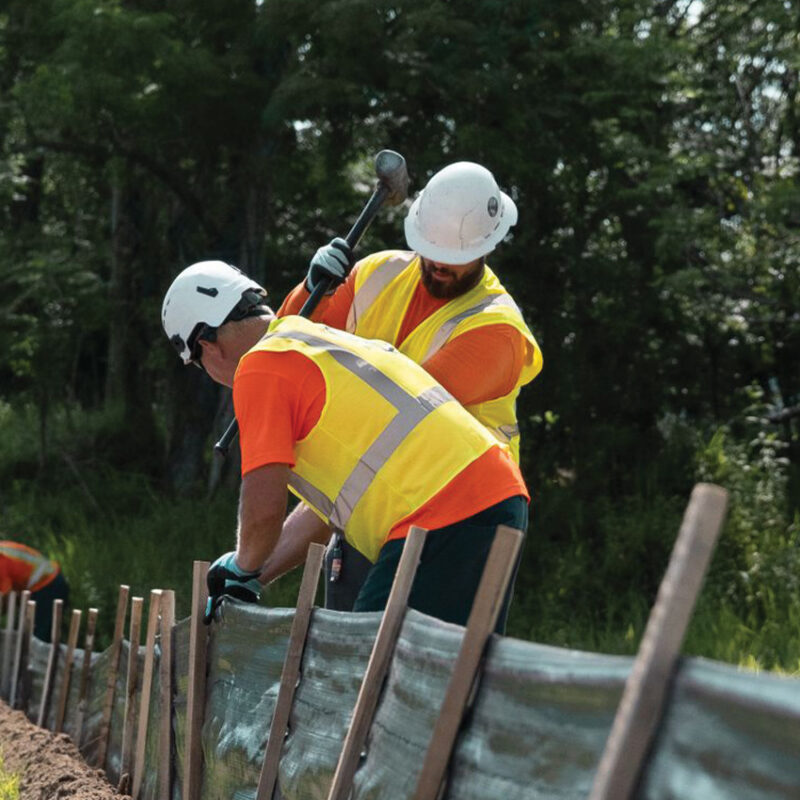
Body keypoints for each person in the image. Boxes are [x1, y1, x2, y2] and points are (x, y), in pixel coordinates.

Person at [161, 260, 530, 632]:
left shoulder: (260, 368)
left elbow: (263, 510)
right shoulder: (316, 340)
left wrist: (241, 566)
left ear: (208, 347)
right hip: (488, 495)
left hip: (442, 511)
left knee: (366, 670)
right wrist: (254, 573)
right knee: (449, 680)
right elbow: (325, 512)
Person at [278, 162, 543, 608]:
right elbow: (282, 356)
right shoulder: (374, 275)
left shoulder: (496, 332)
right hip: (374, 518)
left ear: (488, 247)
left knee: (420, 673)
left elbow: (379, 441)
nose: (439, 266)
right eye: (431, 251)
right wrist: (309, 293)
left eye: (456, 259)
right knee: (349, 666)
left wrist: (258, 560)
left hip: (460, 528)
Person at [0, 541, 69, 642]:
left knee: (37, 637)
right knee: (22, 633)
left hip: (49, 585)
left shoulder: (1, 561)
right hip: (40, 586)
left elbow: (5, 599)